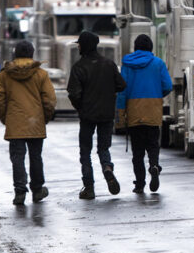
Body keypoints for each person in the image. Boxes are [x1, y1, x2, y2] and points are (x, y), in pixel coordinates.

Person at [0, 40, 56, 205]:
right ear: (32, 54)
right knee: (36, 157)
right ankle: (37, 190)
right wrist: (45, 118)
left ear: (15, 54)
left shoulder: (5, 75)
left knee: (17, 158)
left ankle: (20, 192)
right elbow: (49, 100)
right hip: (35, 121)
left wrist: (6, 118)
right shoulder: (41, 74)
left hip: (15, 122)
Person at [67, 31, 126, 200]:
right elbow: (121, 85)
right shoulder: (108, 64)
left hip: (87, 116)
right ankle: (107, 168)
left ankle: (89, 187)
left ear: (84, 45)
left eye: (79, 44)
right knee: (103, 148)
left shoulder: (79, 67)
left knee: (85, 151)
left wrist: (81, 107)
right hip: (107, 114)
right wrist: (107, 91)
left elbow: (73, 93)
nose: (77, 46)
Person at [116, 34, 172, 193]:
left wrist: (120, 115)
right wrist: (156, 94)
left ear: (135, 47)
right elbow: (167, 85)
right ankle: (154, 165)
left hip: (134, 112)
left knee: (137, 152)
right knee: (153, 145)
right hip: (153, 110)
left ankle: (140, 184)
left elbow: (122, 91)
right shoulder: (158, 63)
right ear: (151, 47)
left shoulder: (127, 64)